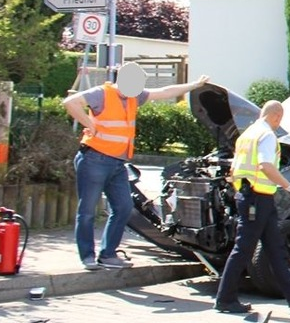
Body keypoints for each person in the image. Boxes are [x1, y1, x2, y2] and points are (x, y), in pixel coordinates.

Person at [63, 62, 210, 271]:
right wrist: (89, 123)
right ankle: (87, 256)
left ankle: (108, 254)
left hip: (117, 163)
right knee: (86, 211)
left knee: (123, 208)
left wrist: (194, 85)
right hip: (95, 159)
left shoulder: (134, 96)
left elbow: (165, 92)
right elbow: (70, 102)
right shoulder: (101, 93)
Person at [212, 100, 290, 314]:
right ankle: (225, 299)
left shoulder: (247, 135)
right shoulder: (267, 136)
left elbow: (236, 168)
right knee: (243, 249)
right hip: (257, 199)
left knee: (275, 247)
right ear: (277, 117)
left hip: (255, 197)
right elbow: (266, 166)